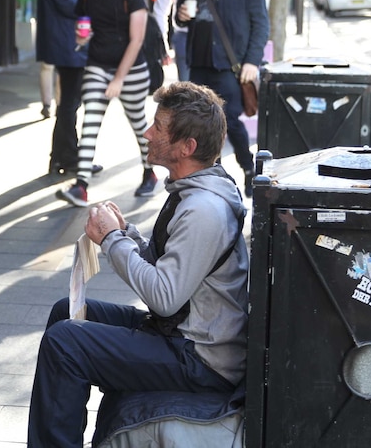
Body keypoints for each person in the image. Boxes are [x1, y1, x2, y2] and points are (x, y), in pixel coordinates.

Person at [28, 81, 249, 448]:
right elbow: (173, 270)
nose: (147, 133)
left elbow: (164, 297)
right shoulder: (192, 191)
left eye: (158, 128)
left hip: (200, 360)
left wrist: (112, 241)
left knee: (66, 343)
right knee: (64, 313)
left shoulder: (202, 209)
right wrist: (128, 234)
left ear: (186, 147)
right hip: (179, 335)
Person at [56, 0, 154, 207]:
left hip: (131, 69)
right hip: (97, 65)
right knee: (90, 123)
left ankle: (150, 172)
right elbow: (85, 25)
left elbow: (136, 40)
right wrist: (81, 38)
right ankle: (81, 185)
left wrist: (119, 79)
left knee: (139, 124)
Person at [176, 0, 269, 197]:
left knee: (229, 121)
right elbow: (178, 17)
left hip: (232, 66)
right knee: (200, 125)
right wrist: (180, 15)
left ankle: (248, 167)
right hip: (199, 64)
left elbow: (261, 23)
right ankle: (211, 177)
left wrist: (252, 61)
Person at [35, 0, 91, 176]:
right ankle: (65, 157)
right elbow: (66, 0)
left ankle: (65, 155)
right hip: (68, 41)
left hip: (67, 40)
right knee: (70, 102)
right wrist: (91, 8)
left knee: (70, 101)